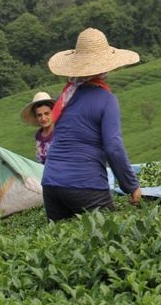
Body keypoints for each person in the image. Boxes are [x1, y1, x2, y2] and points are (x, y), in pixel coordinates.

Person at [40, 28, 141, 221]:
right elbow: (113, 148)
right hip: (85, 184)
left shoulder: (66, 95)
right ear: (105, 69)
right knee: (110, 238)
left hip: (51, 183)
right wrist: (132, 186)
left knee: (62, 244)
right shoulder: (106, 99)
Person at [21, 91, 56, 164]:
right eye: (39, 115)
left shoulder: (60, 131)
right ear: (36, 117)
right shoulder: (38, 135)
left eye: (46, 113)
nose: (43, 118)